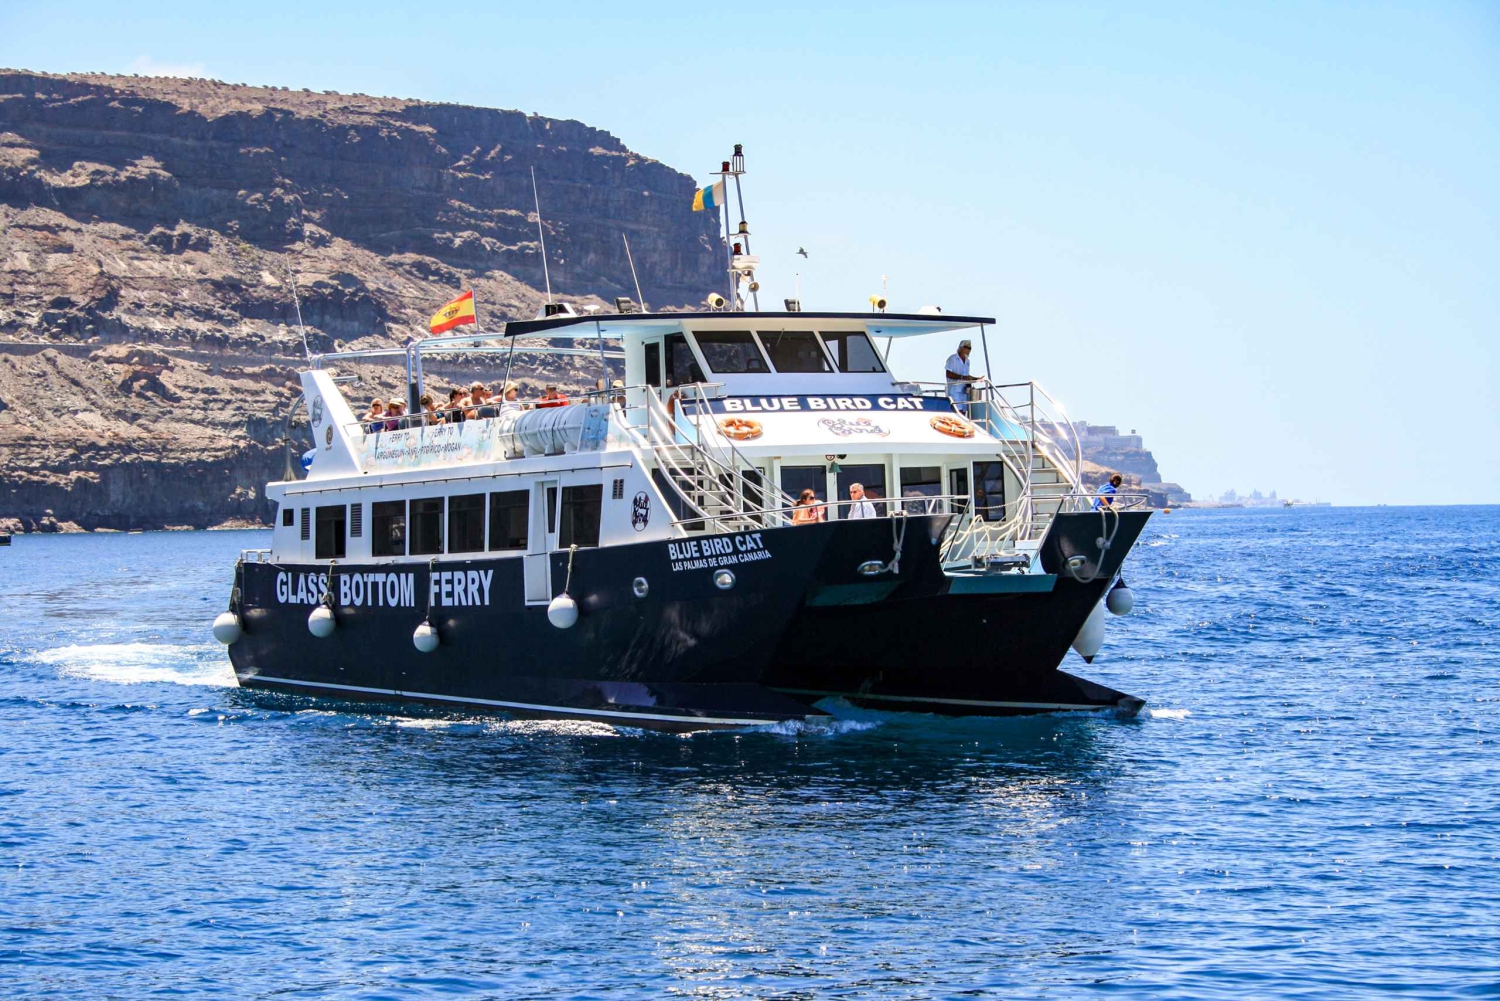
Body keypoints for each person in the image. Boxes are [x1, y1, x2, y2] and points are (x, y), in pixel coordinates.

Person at [945, 339, 980, 414]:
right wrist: (962, 377)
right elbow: (948, 374)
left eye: (969, 348)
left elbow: (966, 376)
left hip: (964, 391)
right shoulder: (952, 359)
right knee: (958, 412)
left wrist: (976, 379)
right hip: (954, 391)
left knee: (964, 412)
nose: (968, 350)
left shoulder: (967, 361)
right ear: (961, 348)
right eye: (966, 348)